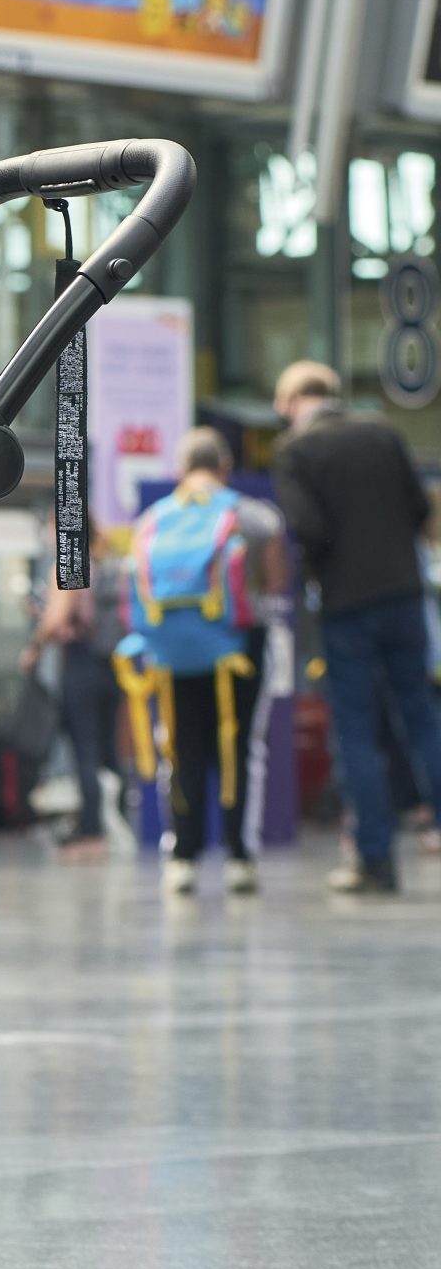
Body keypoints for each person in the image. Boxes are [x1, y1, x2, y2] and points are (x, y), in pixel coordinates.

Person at [273, 361, 441, 893]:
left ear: (295, 399)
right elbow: (419, 507)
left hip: (347, 604)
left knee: (356, 731)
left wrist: (326, 564)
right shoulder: (384, 432)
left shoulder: (296, 452)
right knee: (422, 716)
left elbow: (306, 528)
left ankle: (375, 861)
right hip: (404, 595)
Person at [126, 427, 285, 897]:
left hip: (171, 651)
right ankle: (240, 858)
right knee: (240, 750)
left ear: (179, 470)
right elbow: (276, 583)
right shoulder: (253, 516)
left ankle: (182, 860)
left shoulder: (152, 520)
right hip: (239, 646)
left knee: (179, 751)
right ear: (225, 467)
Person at [23, 520, 130, 861]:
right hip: (112, 664)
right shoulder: (106, 563)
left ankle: (92, 832)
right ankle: (120, 822)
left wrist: (35, 647)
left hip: (81, 663)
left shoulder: (71, 562)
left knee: (85, 749)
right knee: (109, 751)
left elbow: (57, 620)